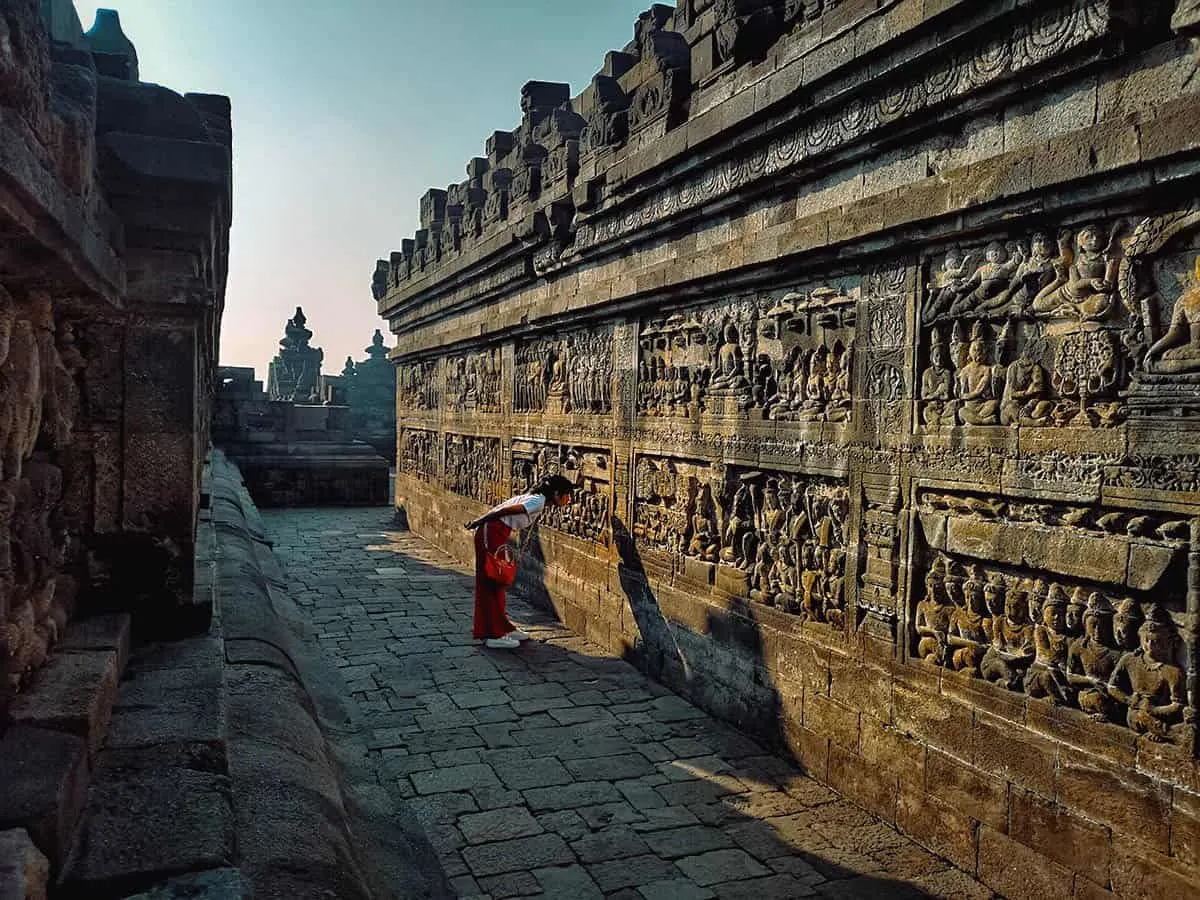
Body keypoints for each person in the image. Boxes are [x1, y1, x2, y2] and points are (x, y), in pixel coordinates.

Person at [464, 474, 575, 649]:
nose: (568, 500)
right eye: (567, 494)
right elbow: (503, 511)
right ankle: (493, 633)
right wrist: (480, 520)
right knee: (492, 582)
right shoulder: (537, 501)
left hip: (496, 532)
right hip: (491, 532)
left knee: (497, 583)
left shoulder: (537, 500)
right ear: (556, 493)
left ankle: (503, 627)